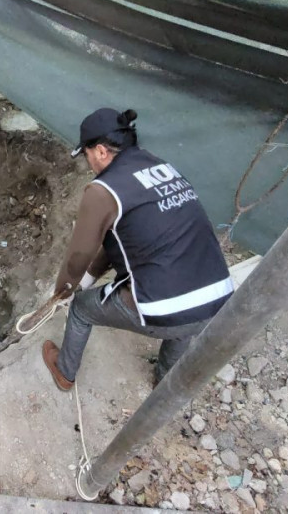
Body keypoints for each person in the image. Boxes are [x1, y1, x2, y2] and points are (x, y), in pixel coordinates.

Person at [42, 108, 233, 391]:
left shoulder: (103, 190)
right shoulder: (162, 167)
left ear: (102, 151)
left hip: (165, 307)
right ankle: (166, 380)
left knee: (82, 309)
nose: (88, 161)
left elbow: (78, 257)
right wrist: (88, 280)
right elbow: (120, 241)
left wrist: (64, 291)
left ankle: (64, 372)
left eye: (87, 154)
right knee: (184, 305)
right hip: (217, 299)